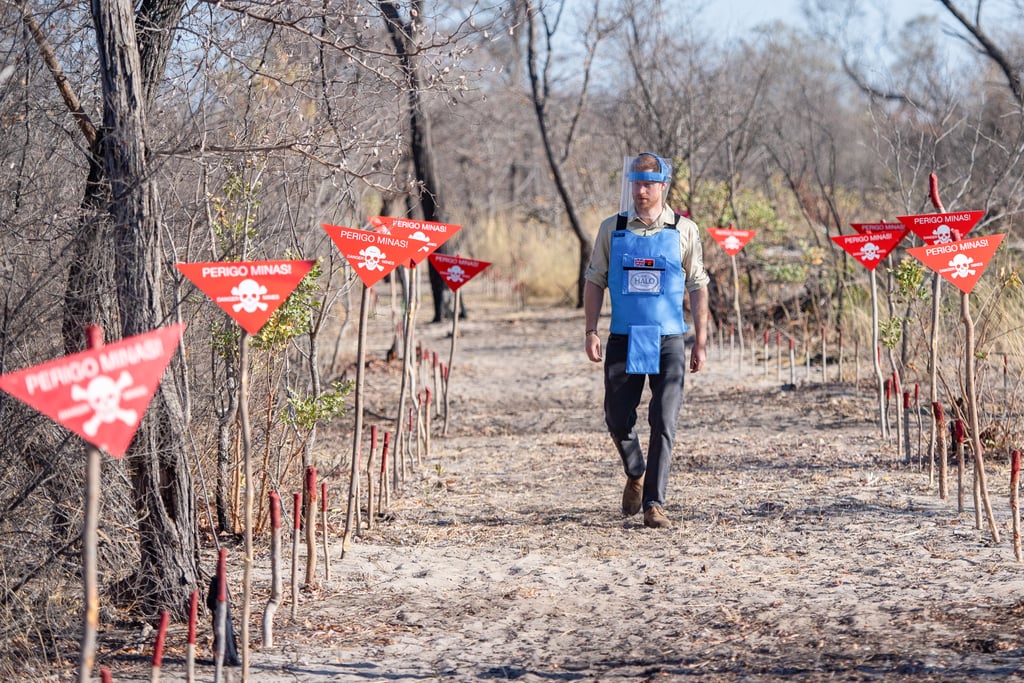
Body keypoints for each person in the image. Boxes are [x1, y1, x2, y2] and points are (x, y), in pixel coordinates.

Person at [583, 152, 709, 529]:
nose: (642, 190)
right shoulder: (613, 228)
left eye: (649, 183)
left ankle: (655, 502)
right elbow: (594, 279)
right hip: (624, 336)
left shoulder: (684, 230)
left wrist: (700, 340)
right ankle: (635, 469)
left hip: (669, 338)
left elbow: (698, 284)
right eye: (636, 183)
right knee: (617, 418)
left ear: (663, 185)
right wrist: (591, 329)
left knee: (664, 420)